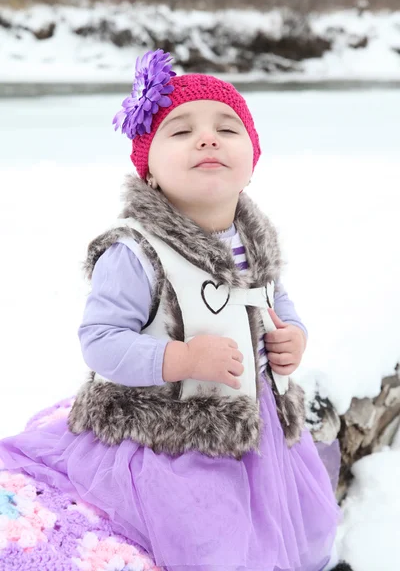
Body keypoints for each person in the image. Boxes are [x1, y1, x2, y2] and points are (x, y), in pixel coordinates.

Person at [0, 50, 352, 571]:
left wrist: (292, 334)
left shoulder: (253, 241)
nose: (207, 138)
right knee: (208, 539)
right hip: (173, 434)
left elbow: (276, 300)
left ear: (251, 163)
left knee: (299, 528)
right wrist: (180, 359)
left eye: (227, 128)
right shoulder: (135, 251)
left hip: (261, 430)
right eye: (181, 131)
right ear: (150, 173)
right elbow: (101, 340)